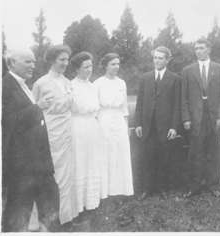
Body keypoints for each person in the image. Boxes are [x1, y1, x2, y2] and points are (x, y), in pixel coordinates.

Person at [2, 49, 60, 232]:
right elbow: (8, 121)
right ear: (11, 63)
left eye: (33, 62)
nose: (32, 66)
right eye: (27, 62)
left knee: (49, 203)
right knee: (18, 212)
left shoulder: (24, 85)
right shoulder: (5, 86)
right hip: (22, 165)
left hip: (39, 162)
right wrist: (38, 107)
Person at [32, 45, 78, 225]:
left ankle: (67, 216)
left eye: (67, 60)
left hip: (67, 130)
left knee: (67, 173)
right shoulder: (41, 83)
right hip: (50, 133)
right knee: (53, 173)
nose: (65, 63)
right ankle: (49, 217)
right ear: (52, 60)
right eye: (61, 60)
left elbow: (72, 106)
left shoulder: (67, 82)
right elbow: (33, 110)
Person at [181, 39, 220, 197]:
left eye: (201, 48)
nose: (198, 51)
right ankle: (194, 185)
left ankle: (212, 184)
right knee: (195, 152)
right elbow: (184, 97)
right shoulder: (188, 70)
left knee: (214, 151)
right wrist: (186, 118)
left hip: (214, 117)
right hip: (196, 118)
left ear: (209, 50)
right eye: (196, 48)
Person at [134, 46, 181, 200]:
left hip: (165, 126)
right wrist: (138, 123)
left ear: (167, 60)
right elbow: (139, 103)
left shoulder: (175, 79)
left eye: (161, 58)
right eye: (155, 57)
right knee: (147, 157)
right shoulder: (145, 78)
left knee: (164, 157)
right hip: (147, 125)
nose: (157, 60)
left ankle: (162, 188)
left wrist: (174, 126)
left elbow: (177, 105)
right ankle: (147, 189)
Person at [69, 52, 108, 218]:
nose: (89, 70)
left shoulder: (93, 86)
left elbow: (96, 108)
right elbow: (75, 107)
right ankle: (78, 203)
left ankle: (91, 201)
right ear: (77, 69)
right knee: (80, 161)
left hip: (92, 126)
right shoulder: (71, 86)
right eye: (85, 67)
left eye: (91, 66)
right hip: (77, 127)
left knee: (92, 160)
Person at [94, 53, 134, 197]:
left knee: (120, 153)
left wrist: (127, 124)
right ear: (106, 66)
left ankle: (121, 190)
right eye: (113, 64)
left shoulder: (122, 83)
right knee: (106, 153)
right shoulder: (98, 83)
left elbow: (124, 108)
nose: (116, 67)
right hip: (104, 120)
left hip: (119, 121)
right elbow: (95, 108)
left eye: (118, 64)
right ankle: (105, 191)